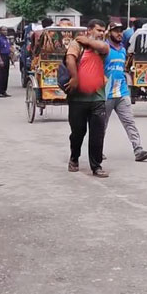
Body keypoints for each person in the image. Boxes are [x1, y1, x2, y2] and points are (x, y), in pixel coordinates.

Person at [65, 19, 110, 177]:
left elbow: (104, 47)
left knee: (97, 133)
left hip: (97, 98)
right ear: (89, 30)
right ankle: (74, 158)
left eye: (103, 30)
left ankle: (96, 166)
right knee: (78, 132)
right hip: (77, 98)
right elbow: (70, 58)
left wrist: (89, 40)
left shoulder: (100, 46)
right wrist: (75, 77)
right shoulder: (76, 44)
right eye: (98, 30)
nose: (101, 33)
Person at [104, 22, 147, 161]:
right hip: (106, 94)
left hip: (122, 93)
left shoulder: (122, 50)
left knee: (129, 122)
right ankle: (97, 150)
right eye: (115, 31)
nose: (119, 34)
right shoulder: (104, 48)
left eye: (120, 31)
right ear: (109, 33)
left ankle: (138, 150)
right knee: (102, 125)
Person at [0, 27, 12, 98]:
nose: (5, 31)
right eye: (4, 30)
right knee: (0, 76)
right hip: (1, 56)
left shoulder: (6, 39)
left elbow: (8, 48)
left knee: (6, 75)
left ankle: (4, 91)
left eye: (6, 30)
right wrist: (0, 60)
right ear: (0, 31)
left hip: (6, 57)